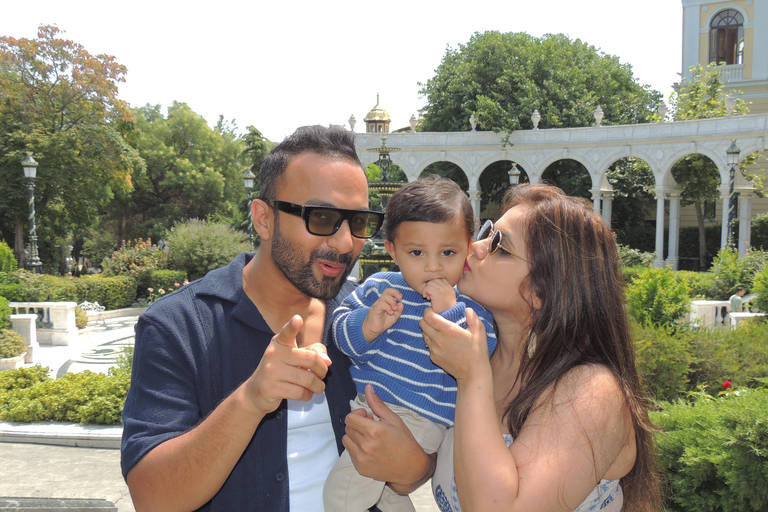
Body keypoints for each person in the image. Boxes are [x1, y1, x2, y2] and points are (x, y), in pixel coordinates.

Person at [120, 125, 430, 512]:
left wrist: (416, 466)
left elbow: (413, 458)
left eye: (358, 222)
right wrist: (251, 399)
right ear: (264, 219)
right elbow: (153, 498)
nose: (345, 242)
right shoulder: (178, 326)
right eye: (321, 217)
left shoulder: (371, 317)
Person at [420, 184, 662, 512]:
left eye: (499, 246)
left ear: (541, 292)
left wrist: (472, 378)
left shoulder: (591, 392)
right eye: (487, 232)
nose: (473, 247)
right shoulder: (479, 357)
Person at [324, 176, 497, 512]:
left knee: (339, 496)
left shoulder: (471, 305)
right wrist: (368, 325)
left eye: (448, 252)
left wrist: (450, 311)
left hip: (421, 417)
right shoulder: (380, 289)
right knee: (390, 499)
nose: (433, 266)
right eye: (416, 252)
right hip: (368, 408)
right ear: (393, 251)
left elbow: (482, 351)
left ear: (468, 248)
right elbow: (342, 338)